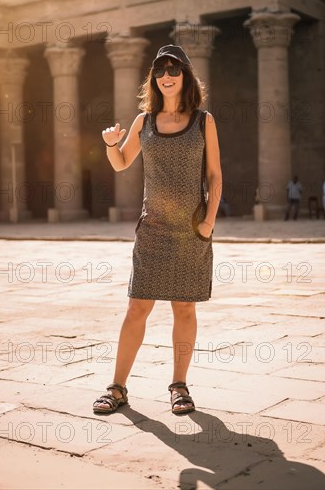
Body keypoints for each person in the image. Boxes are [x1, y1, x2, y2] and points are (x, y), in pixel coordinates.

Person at [93, 45, 222, 415]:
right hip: (152, 229)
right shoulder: (144, 122)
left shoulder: (203, 121)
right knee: (137, 307)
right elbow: (120, 164)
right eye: (161, 70)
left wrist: (209, 221)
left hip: (192, 229)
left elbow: (215, 176)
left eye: (174, 69)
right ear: (154, 78)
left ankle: (179, 386)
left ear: (185, 76)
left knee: (184, 308)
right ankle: (117, 388)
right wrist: (110, 145)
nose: (167, 75)